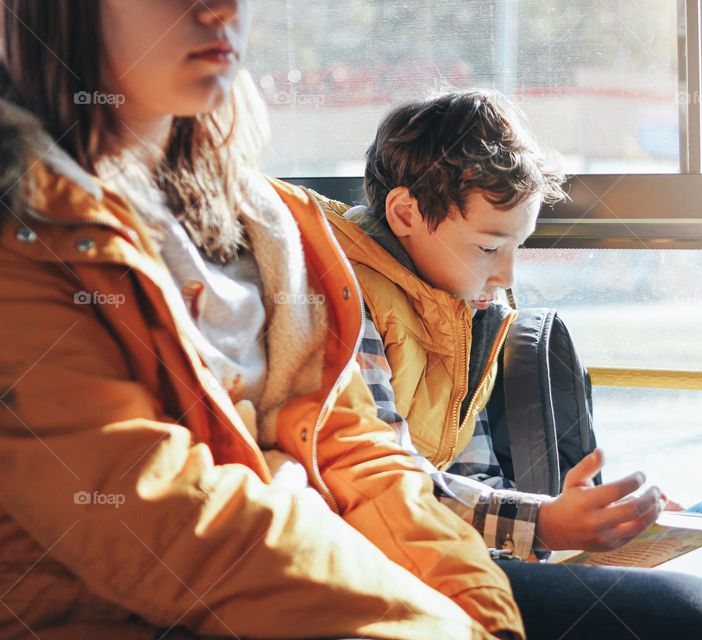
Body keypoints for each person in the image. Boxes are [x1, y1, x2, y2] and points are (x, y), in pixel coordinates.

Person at [0, 2, 525, 638]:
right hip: (132, 613)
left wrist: (481, 616)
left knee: (674, 613)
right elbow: (164, 517)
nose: (221, 8)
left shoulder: (273, 221)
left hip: (333, 576)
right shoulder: (25, 232)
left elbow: (357, 449)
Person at [325, 89, 702, 640]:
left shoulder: (464, 307)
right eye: (489, 248)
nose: (507, 276)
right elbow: (375, 486)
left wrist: (585, 523)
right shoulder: (340, 296)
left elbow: (470, 475)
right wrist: (544, 522)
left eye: (519, 246)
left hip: (438, 550)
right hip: (366, 563)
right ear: (405, 213)